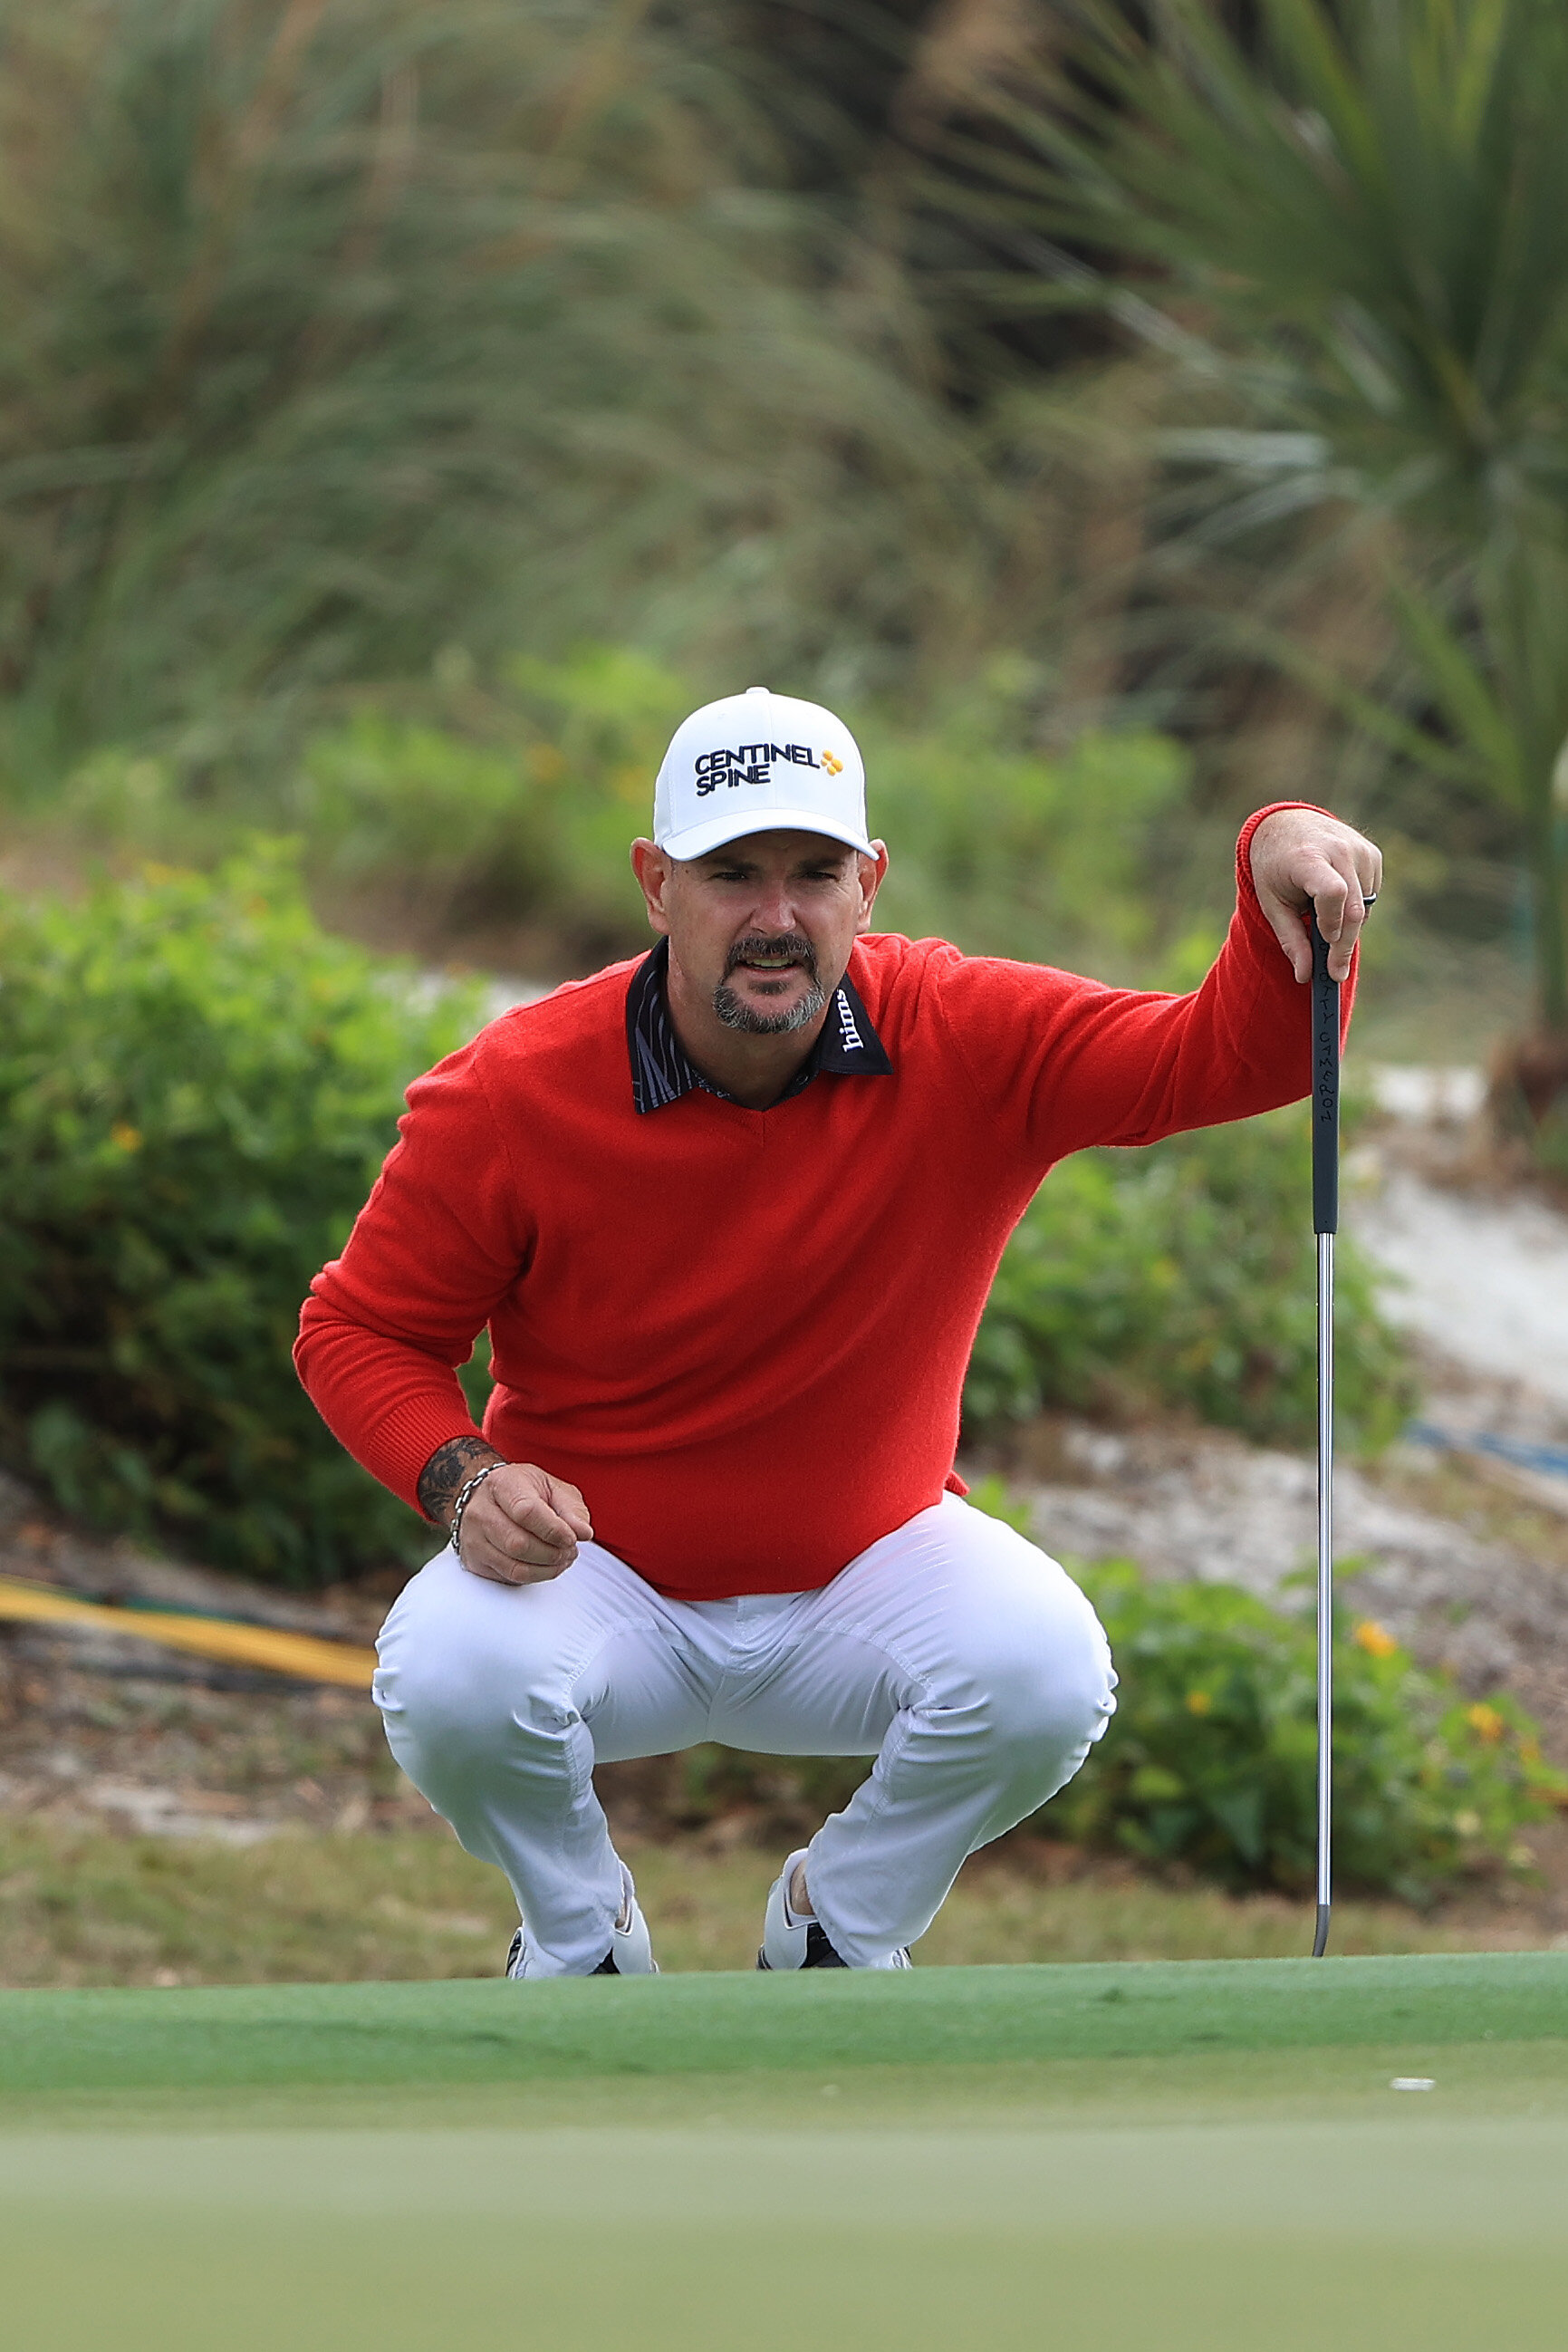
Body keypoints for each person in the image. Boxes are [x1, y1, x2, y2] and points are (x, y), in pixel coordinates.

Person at [295, 685, 1380, 1976]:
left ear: (870, 885)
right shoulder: (515, 1088)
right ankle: (581, 1935)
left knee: (1042, 1671)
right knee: (450, 1678)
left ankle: (837, 1930)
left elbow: (1229, 1059)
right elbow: (360, 1329)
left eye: (814, 873)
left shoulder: (961, 1032)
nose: (776, 917)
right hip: (599, 1584)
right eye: (732, 874)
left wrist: (1274, 839)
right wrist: (462, 1475)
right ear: (657, 885)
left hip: (868, 1575)